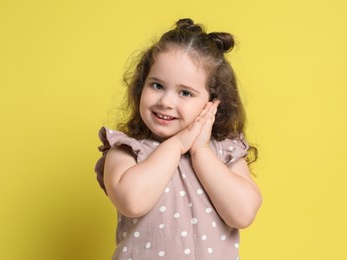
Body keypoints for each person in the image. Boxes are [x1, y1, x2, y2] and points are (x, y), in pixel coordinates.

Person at [95, 18, 262, 259]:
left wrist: (201, 151)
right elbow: (132, 201)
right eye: (157, 86)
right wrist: (177, 145)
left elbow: (243, 214)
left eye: (185, 92)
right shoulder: (126, 150)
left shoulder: (224, 152)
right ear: (141, 87)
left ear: (213, 103)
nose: (165, 102)